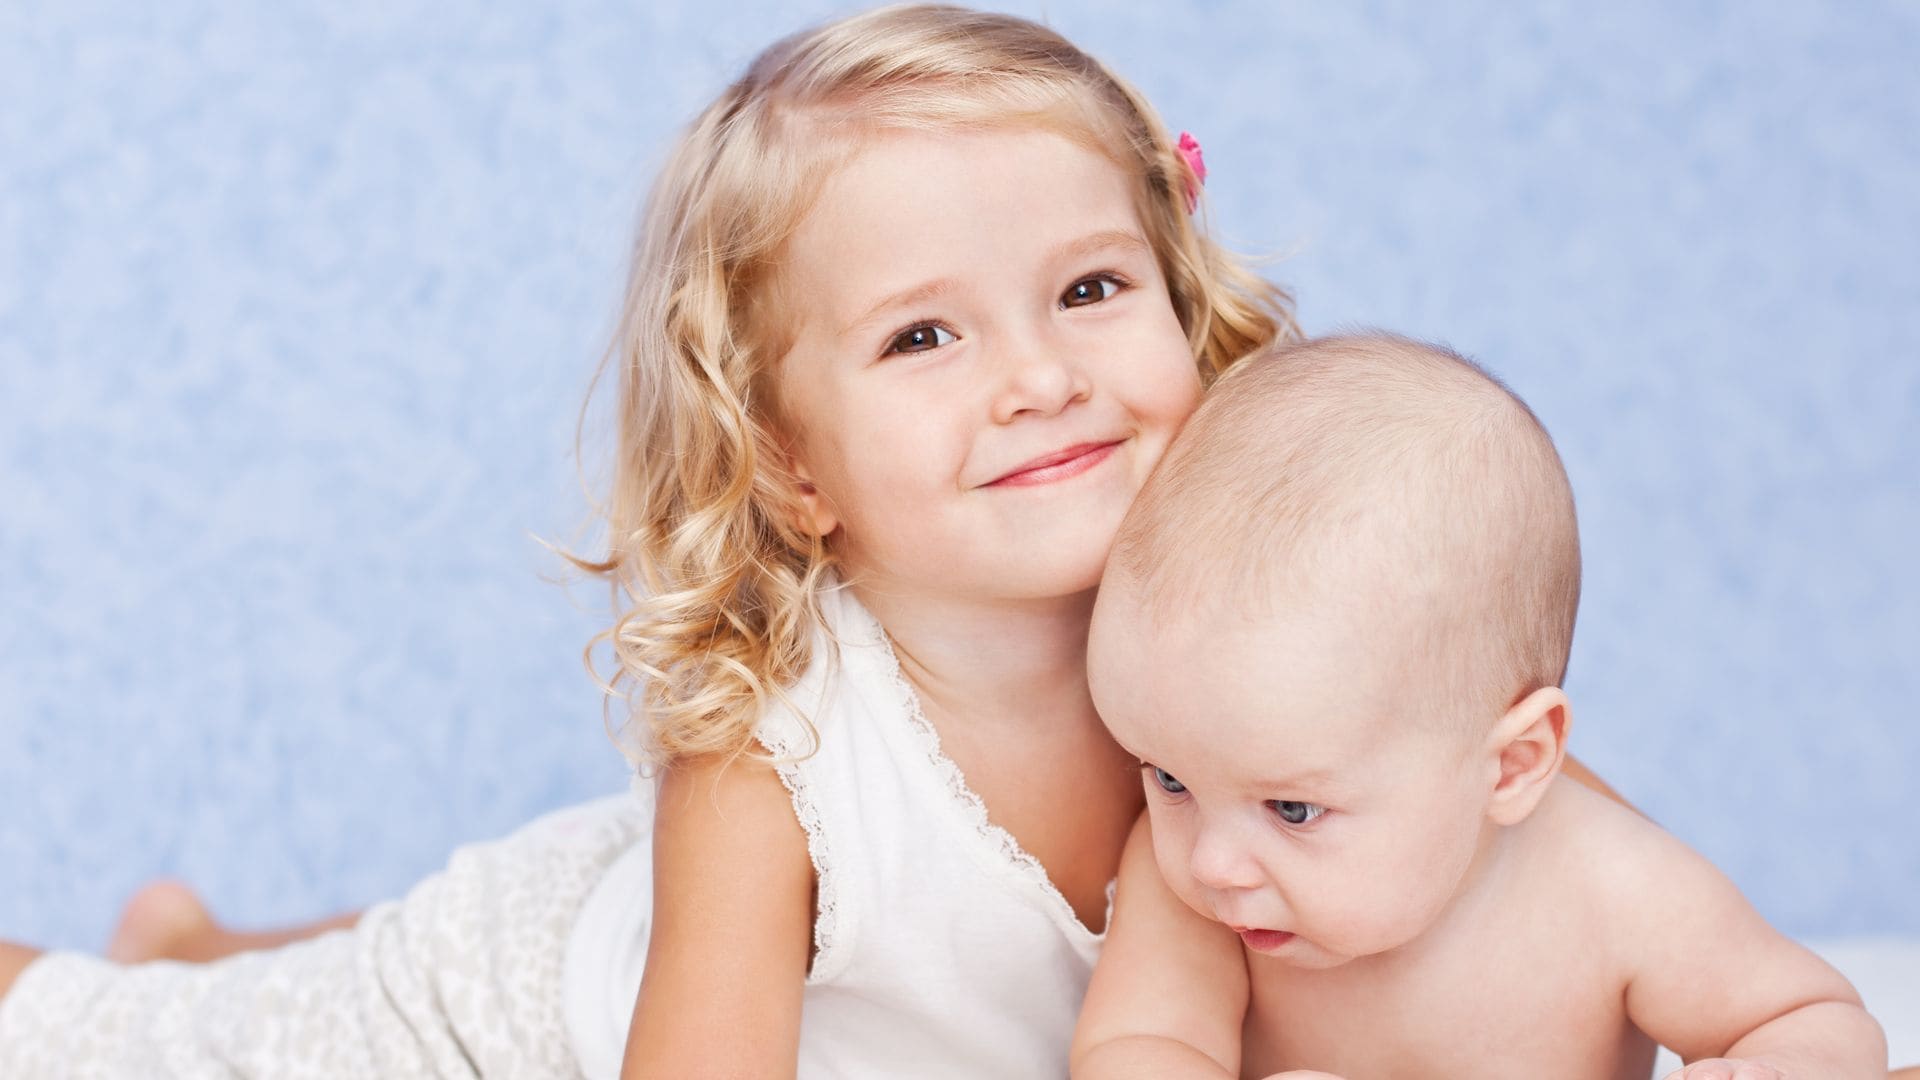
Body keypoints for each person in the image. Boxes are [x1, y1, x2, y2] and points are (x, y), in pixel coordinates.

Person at [0, 7, 1627, 1077]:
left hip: (628, 906)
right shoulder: (770, 767)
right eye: (926, 339)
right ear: (789, 466)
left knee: (274, 955)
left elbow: (1519, 856)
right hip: (504, 1007)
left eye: (1087, 289)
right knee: (122, 1041)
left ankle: (197, 927)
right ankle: (167, 963)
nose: (1041, 377)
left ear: (1188, 313)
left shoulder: (1292, 648)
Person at [1071, 333, 1892, 1079]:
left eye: (1293, 808)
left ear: (1513, 765)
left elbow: (1810, 1014)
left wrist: (1775, 1066)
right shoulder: (1198, 889)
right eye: (1169, 778)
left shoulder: (1615, 890)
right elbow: (1138, 1048)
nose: (1212, 862)